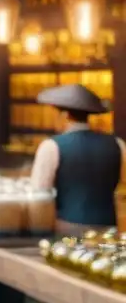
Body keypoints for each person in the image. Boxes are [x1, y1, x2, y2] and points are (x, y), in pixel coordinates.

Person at [30, 84, 125, 235]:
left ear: (65, 115)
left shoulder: (51, 146)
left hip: (68, 226)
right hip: (108, 226)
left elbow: (40, 190)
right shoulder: (118, 144)